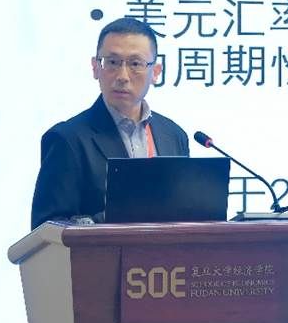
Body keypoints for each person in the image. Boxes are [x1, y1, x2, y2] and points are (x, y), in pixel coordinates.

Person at [30, 17, 190, 228]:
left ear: (156, 72)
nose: (122, 76)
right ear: (95, 67)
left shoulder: (174, 135)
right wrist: (110, 218)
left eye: (135, 64)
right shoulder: (68, 140)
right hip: (99, 251)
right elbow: (47, 228)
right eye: (112, 62)